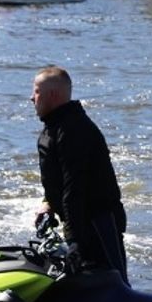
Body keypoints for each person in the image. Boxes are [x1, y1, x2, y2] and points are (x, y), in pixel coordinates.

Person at [32, 65, 128, 282]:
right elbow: (56, 179)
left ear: (53, 95)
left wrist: (73, 240)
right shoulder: (54, 126)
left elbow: (73, 187)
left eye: (36, 92)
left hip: (99, 222)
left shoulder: (74, 130)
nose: (32, 98)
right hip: (77, 221)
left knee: (116, 285)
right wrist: (48, 202)